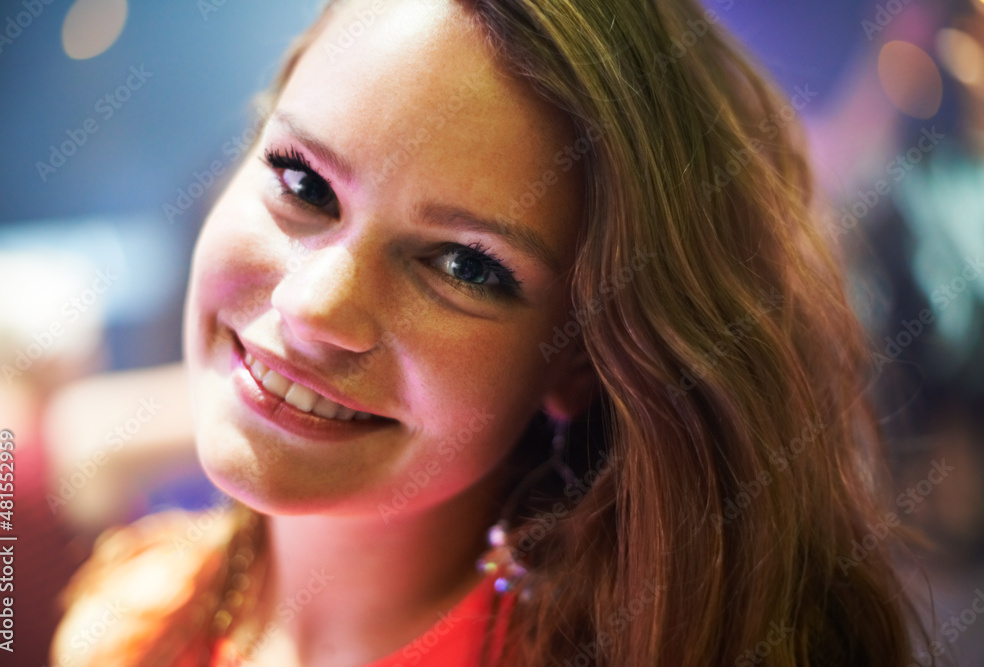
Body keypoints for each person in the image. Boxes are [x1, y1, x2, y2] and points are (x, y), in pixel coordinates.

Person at [50, 0, 929, 665]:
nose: (315, 306)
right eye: (301, 180)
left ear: (580, 360)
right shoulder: (128, 609)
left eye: (466, 266)